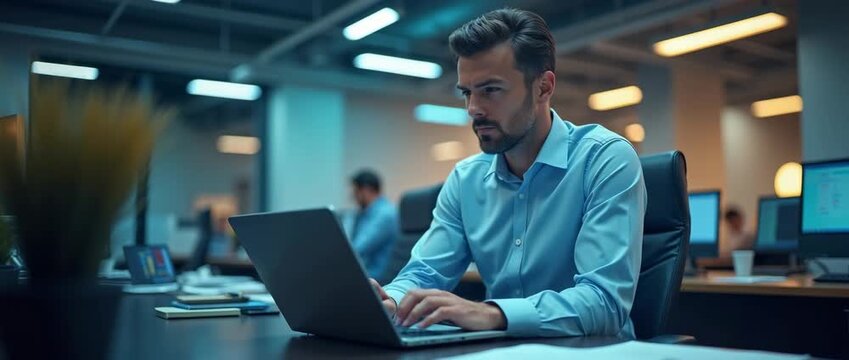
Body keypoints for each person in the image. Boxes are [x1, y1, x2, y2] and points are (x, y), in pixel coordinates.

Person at [369, 8, 646, 338]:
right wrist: (392, 302)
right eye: (467, 92)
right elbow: (423, 275)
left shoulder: (604, 160)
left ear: (543, 87)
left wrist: (492, 313)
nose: (473, 108)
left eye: (490, 90)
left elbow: (604, 304)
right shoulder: (466, 180)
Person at [349, 169, 399, 279]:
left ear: (367, 190)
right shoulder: (366, 213)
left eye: (356, 191)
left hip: (379, 277)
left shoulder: (385, 214)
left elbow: (357, 249)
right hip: (369, 273)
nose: (353, 196)